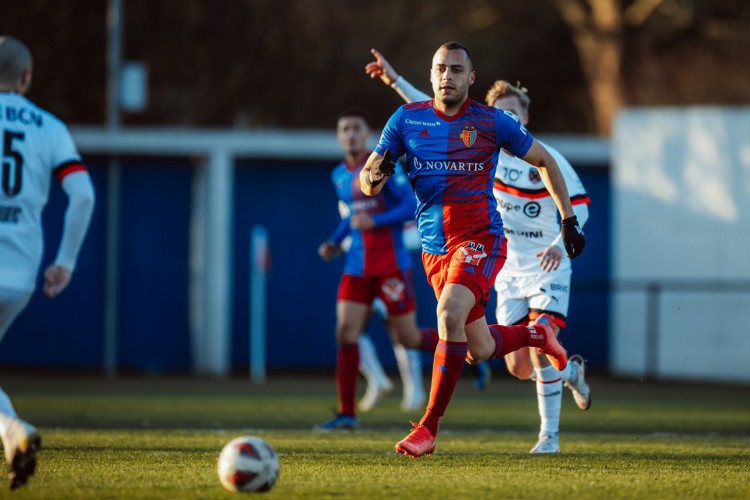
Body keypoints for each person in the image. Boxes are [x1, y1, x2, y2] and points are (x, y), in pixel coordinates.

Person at [360, 42, 586, 457]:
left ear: (471, 78)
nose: (448, 76)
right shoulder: (406, 119)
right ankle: (539, 334)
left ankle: (427, 428)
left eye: (457, 70)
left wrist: (569, 220)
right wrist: (376, 171)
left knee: (448, 314)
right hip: (434, 249)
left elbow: (546, 160)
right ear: (431, 75)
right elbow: (367, 182)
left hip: (480, 239)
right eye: (441, 69)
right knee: (477, 349)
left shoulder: (493, 122)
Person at [0, 36, 96, 489]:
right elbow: (82, 195)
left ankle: (14, 430)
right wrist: (66, 261)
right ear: (26, 77)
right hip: (20, 270)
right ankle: (12, 436)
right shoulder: (50, 126)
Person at [316, 108, 440, 430]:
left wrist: (376, 221)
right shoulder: (339, 175)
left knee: (409, 338)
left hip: (390, 267)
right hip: (357, 266)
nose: (350, 134)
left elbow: (409, 206)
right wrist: (334, 240)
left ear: (368, 133)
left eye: (356, 128)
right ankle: (347, 413)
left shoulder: (383, 166)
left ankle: (461, 349)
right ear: (339, 136)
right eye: (345, 129)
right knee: (345, 332)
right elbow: (351, 215)